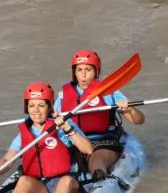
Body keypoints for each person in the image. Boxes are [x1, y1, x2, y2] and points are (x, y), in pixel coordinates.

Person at [0, 83, 94, 193]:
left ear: (49, 107)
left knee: (66, 181)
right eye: (32, 106)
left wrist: (68, 129)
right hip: (40, 188)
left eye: (41, 105)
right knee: (23, 181)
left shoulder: (63, 125)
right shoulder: (24, 134)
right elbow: (7, 160)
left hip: (68, 185)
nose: (36, 110)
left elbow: (88, 149)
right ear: (27, 108)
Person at [55, 49, 146, 181]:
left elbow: (138, 121)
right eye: (79, 70)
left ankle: (102, 182)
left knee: (96, 161)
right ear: (74, 73)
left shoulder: (109, 91)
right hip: (74, 141)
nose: (84, 75)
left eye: (88, 70)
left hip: (103, 141)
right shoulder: (63, 97)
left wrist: (131, 109)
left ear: (96, 71)